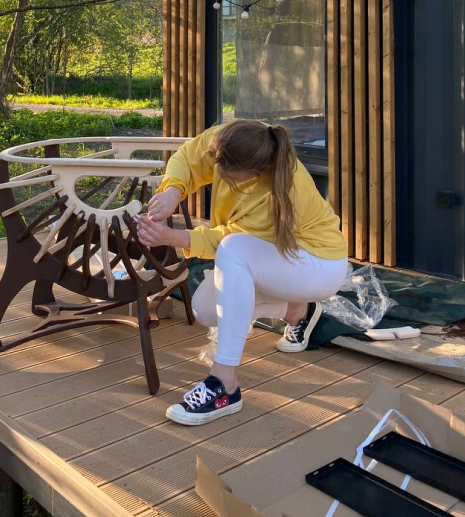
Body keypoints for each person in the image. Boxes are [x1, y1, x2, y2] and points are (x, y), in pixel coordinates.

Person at [137, 120, 348, 426]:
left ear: (255, 174)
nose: (220, 180)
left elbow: (225, 240)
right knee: (206, 309)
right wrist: (172, 191)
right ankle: (295, 310)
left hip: (319, 264)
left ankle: (224, 385)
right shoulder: (232, 138)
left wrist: (173, 238)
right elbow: (188, 158)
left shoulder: (283, 189)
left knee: (233, 249)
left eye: (231, 180)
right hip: (279, 256)